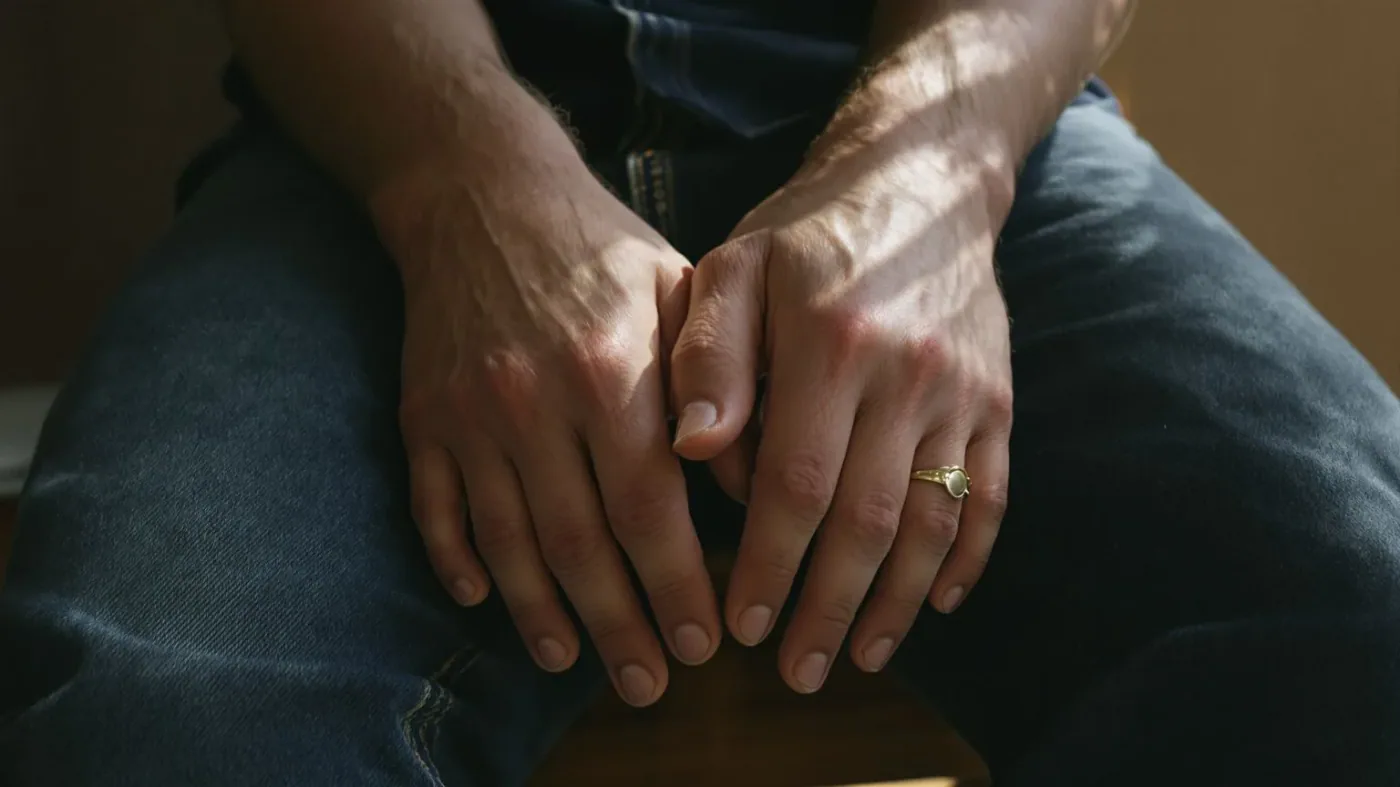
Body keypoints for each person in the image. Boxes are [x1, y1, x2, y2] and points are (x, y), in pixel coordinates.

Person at [3, 0, 1399, 784]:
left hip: (941, 115)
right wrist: (458, 187)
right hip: (380, 142)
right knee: (151, 731)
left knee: (1366, 625)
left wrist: (937, 174)